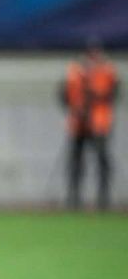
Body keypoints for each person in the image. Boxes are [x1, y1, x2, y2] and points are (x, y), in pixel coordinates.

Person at [61, 44, 119, 210]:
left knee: (102, 161)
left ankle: (103, 198)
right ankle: (74, 198)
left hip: (99, 122)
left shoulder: (107, 70)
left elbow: (114, 94)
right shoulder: (75, 70)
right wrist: (75, 109)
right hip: (78, 123)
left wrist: (96, 98)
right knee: (76, 162)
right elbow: (64, 94)